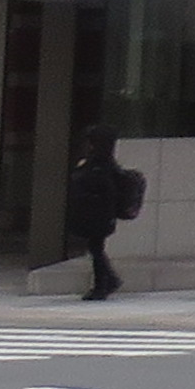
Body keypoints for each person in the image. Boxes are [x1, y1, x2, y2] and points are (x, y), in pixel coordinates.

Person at [67, 129, 142, 303]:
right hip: (99, 213)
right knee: (96, 248)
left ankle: (103, 284)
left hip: (98, 214)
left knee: (96, 249)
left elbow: (98, 187)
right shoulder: (104, 163)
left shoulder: (99, 165)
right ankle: (109, 280)